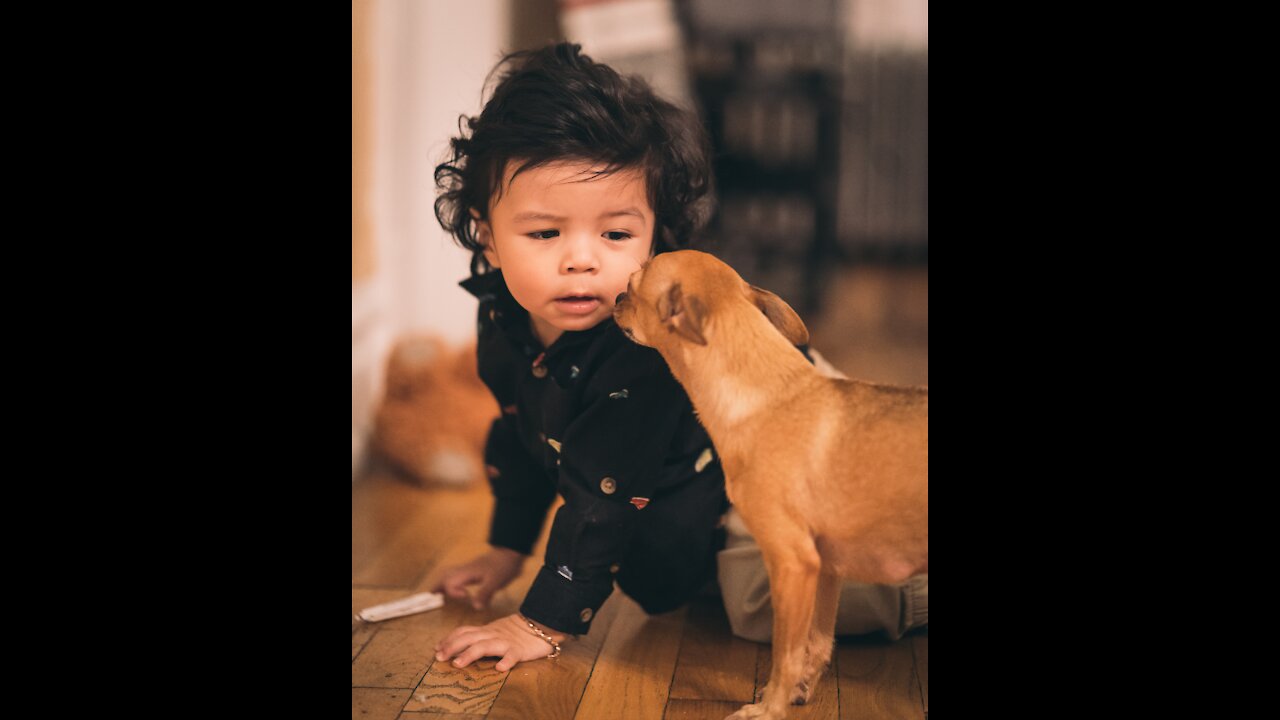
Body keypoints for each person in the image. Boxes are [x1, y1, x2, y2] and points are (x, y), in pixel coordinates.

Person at [429, 42, 925, 673]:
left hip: (769, 454)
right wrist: (505, 549)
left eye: (615, 234)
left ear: (654, 230)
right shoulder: (501, 317)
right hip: (695, 481)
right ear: (486, 237)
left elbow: (602, 497)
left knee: (765, 598)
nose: (582, 260)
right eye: (545, 233)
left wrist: (541, 623)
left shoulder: (641, 348)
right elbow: (524, 437)